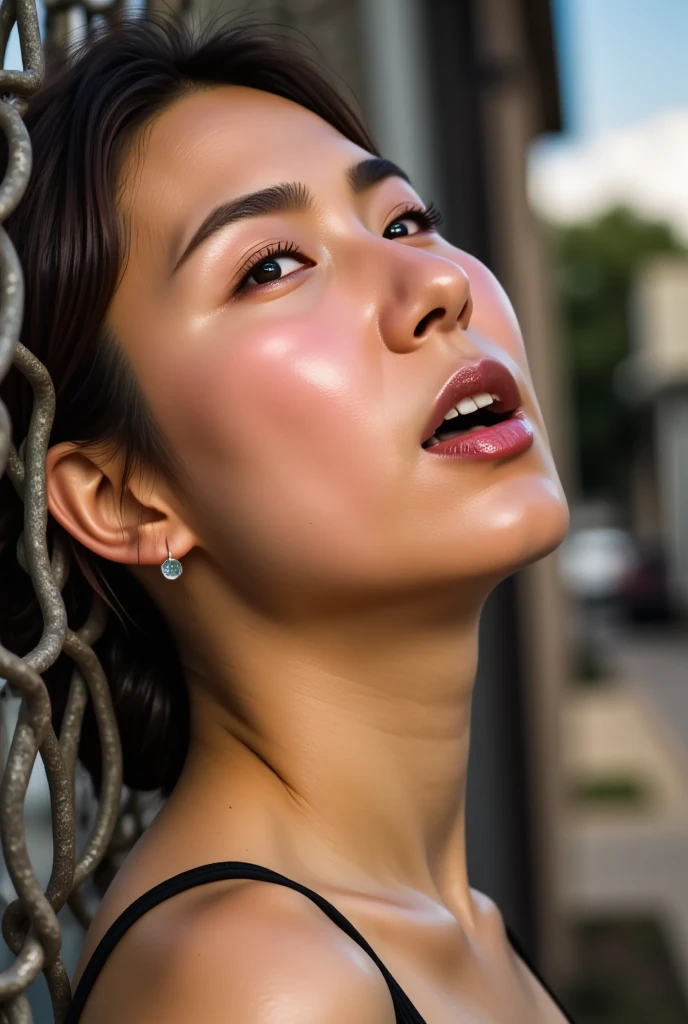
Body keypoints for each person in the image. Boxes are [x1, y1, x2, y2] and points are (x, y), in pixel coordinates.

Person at [0, 14, 572, 1023]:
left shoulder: (450, 928)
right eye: (271, 265)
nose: (437, 284)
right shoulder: (257, 985)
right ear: (124, 497)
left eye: (402, 220)